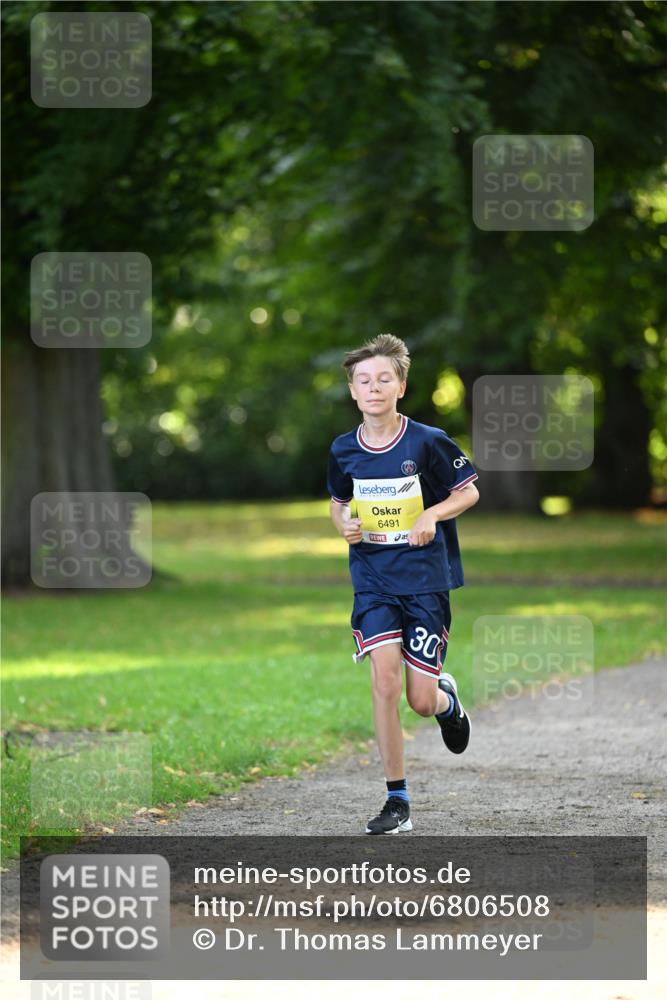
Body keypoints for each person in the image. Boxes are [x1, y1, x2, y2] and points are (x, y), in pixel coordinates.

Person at [327, 333, 479, 834]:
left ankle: (445, 700)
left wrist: (431, 515)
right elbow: (338, 502)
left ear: (401, 386)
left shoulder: (427, 441)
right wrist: (344, 524)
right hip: (372, 581)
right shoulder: (344, 449)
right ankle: (397, 801)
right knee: (384, 683)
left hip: (423, 580)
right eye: (363, 380)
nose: (373, 388)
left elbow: (468, 492)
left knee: (418, 700)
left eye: (383, 379)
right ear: (352, 390)